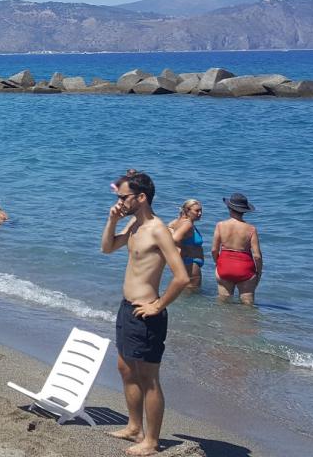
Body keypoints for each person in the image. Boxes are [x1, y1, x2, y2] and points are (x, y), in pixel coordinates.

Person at [100, 171, 190, 456]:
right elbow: (107, 248)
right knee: (125, 369)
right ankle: (134, 427)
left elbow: (182, 277)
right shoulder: (132, 225)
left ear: (141, 197)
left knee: (149, 377)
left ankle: (152, 441)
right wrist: (113, 219)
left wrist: (158, 305)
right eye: (118, 197)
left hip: (147, 314)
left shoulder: (158, 229)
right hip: (127, 308)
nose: (119, 201)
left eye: (123, 197)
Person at [212, 193, 262, 304]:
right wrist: (258, 273)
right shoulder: (251, 229)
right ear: (244, 211)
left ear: (229, 207)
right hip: (245, 268)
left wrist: (218, 263)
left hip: (225, 266)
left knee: (223, 303)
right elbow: (257, 256)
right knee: (248, 306)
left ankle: (220, 322)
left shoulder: (220, 225)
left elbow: (214, 250)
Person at [168, 199, 205, 290]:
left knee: (184, 294)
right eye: (197, 211)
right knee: (194, 295)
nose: (200, 213)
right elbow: (174, 239)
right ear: (187, 211)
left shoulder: (176, 222)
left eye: (201, 210)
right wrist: (183, 249)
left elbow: (168, 230)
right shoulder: (187, 224)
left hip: (183, 263)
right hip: (191, 265)